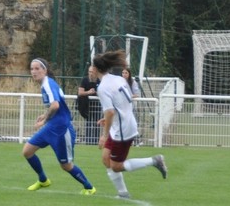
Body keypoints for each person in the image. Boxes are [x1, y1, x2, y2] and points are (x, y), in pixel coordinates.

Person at [93, 50, 167, 198]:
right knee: (106, 159)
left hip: (123, 130)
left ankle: (154, 161)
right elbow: (119, 105)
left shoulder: (102, 88)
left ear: (95, 69)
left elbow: (110, 112)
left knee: (116, 166)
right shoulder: (118, 79)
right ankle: (123, 193)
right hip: (123, 124)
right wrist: (108, 121)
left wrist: (104, 135)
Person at [23, 58, 96, 195]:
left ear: (45, 70)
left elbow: (55, 105)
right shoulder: (46, 84)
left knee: (66, 166)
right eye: (32, 69)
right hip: (51, 127)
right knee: (27, 151)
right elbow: (55, 105)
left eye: (37, 68)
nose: (34, 72)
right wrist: (45, 116)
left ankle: (89, 187)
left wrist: (43, 121)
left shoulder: (48, 84)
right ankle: (43, 180)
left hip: (62, 130)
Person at [76, 64, 102, 145]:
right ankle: (88, 141)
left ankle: (96, 141)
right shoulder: (85, 80)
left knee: (97, 123)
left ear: (96, 72)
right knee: (88, 122)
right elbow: (80, 92)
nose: (90, 73)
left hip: (97, 105)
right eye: (89, 72)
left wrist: (98, 93)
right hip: (87, 106)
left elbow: (105, 92)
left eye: (92, 72)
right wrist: (89, 92)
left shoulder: (99, 80)